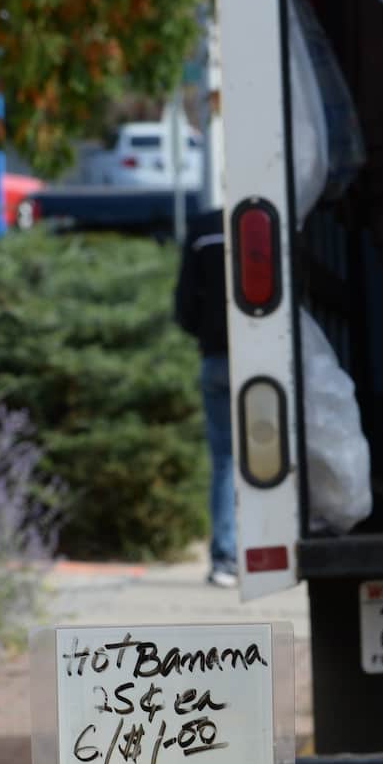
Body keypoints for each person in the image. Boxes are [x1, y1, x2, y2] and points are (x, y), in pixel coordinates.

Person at [176, 208, 237, 588]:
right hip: (266, 362)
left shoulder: (203, 229)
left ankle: (225, 558)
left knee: (225, 462)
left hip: (215, 358)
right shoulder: (275, 219)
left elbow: (184, 305)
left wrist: (208, 333)